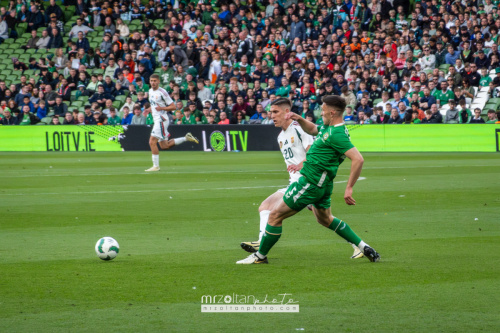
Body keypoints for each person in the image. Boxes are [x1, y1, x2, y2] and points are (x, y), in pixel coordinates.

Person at [237, 95, 380, 264]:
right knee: (325, 219)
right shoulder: (329, 128)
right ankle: (363, 247)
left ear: (332, 113)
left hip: (311, 182)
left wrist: (349, 187)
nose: (321, 113)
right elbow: (313, 130)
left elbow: (358, 159)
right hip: (322, 184)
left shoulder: (336, 134)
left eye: (324, 110)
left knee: (274, 215)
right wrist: (299, 118)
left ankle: (259, 256)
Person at [145, 74, 199, 172]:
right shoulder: (150, 91)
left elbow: (173, 107)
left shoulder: (162, 92)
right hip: (157, 119)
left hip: (161, 119)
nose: (153, 82)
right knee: (164, 146)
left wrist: (161, 108)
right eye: (151, 80)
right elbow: (154, 105)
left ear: (158, 82)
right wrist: (149, 109)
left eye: (154, 81)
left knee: (152, 142)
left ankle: (156, 166)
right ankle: (186, 138)